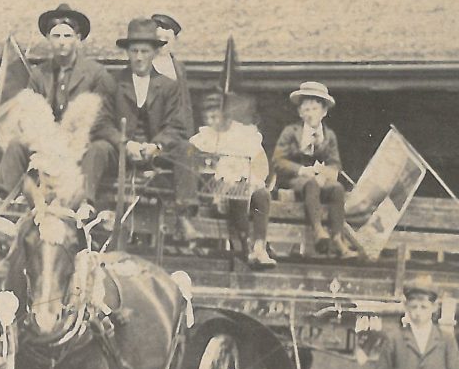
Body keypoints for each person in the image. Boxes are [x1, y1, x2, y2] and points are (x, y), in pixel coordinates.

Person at [0, 5, 122, 211]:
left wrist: (71, 139)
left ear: (78, 39)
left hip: (84, 142)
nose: (62, 41)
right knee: (17, 145)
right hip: (47, 143)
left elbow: (101, 120)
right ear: (48, 39)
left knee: (99, 149)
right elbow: (30, 114)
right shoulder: (39, 74)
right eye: (56, 35)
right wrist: (44, 141)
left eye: (67, 36)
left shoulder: (96, 74)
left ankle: (85, 203)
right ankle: (3, 202)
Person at [112, 16, 195, 226]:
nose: (139, 57)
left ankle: (184, 215)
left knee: (186, 149)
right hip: (123, 149)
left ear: (154, 53)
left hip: (154, 149)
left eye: (145, 51)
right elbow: (103, 121)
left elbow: (175, 123)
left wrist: (157, 145)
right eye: (134, 51)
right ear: (127, 53)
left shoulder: (167, 84)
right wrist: (125, 143)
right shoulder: (113, 82)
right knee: (98, 148)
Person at [192, 91, 278, 268]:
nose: (211, 121)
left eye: (215, 116)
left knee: (262, 195)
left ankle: (259, 247)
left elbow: (261, 164)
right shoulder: (205, 136)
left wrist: (253, 181)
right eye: (207, 117)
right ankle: (245, 248)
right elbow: (189, 155)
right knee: (237, 195)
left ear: (225, 114)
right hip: (218, 190)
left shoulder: (244, 133)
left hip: (247, 183)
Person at [273, 81, 357, 258]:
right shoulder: (291, 132)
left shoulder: (329, 136)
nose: (310, 114)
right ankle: (318, 231)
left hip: (320, 180)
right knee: (311, 184)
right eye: (306, 109)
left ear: (324, 112)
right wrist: (302, 170)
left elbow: (335, 165)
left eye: (314, 109)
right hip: (295, 180)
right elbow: (278, 160)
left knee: (337, 189)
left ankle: (337, 238)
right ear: (300, 112)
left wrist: (324, 174)